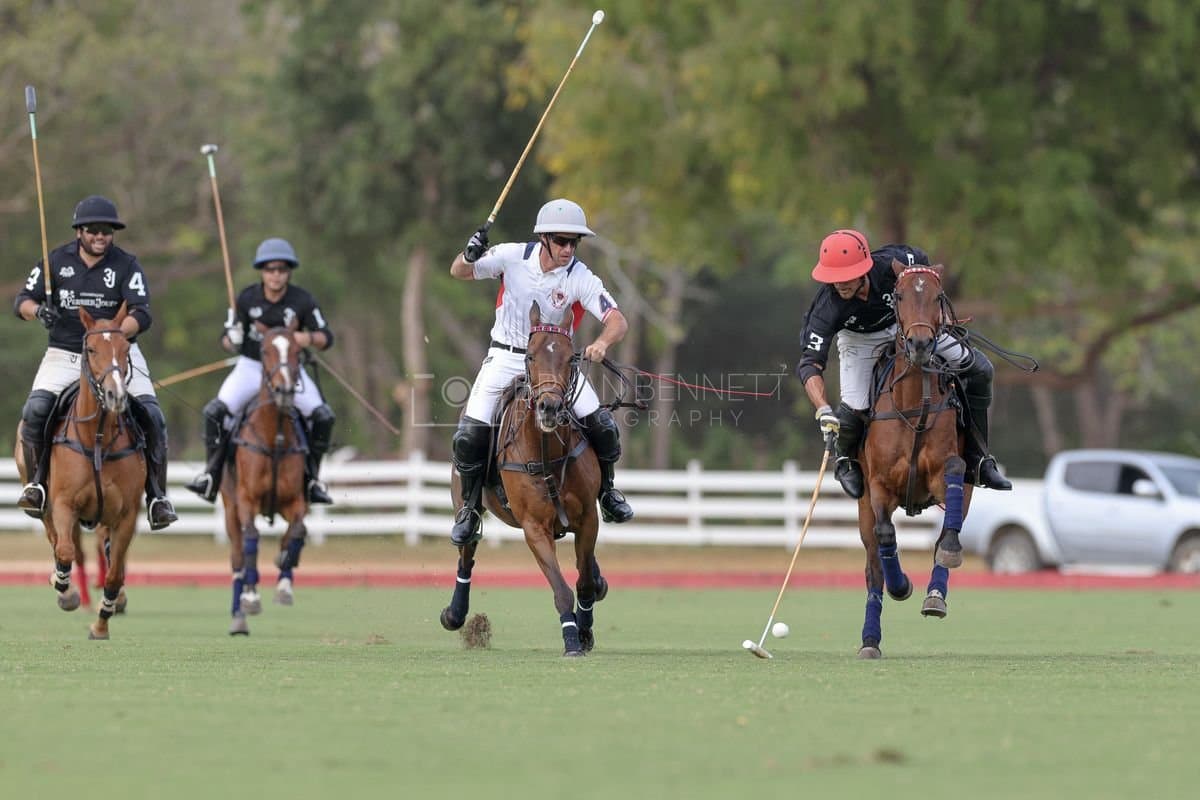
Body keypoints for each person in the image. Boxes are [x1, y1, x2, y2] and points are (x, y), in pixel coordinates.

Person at [447, 198, 633, 546]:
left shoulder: (579, 276)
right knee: (469, 436)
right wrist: (469, 254)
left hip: (556, 366)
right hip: (506, 358)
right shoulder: (511, 256)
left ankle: (607, 492)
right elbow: (459, 271)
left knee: (603, 427)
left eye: (574, 243)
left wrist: (602, 343)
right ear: (544, 238)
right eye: (561, 241)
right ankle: (470, 510)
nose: (568, 249)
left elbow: (617, 321)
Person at [796, 228, 1011, 497]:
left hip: (908, 325)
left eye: (847, 276)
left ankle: (979, 460)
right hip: (859, 342)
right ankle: (845, 461)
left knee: (980, 369)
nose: (841, 284)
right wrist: (822, 408)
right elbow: (810, 364)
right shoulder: (826, 307)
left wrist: (935, 311)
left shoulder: (894, 262)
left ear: (865, 267)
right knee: (853, 407)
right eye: (835, 278)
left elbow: (926, 273)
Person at [14, 195, 179, 530]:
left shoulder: (126, 265)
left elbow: (142, 312)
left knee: (153, 415)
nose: (100, 236)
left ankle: (158, 496)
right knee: (36, 410)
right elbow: (22, 301)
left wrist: (115, 335)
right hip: (66, 352)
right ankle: (37, 485)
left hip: (118, 355)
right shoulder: (56, 261)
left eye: (107, 230)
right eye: (93, 230)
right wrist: (39, 311)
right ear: (80, 232)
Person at [184, 237, 336, 506]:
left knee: (323, 416)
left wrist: (307, 339)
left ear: (289, 271)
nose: (276, 275)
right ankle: (212, 474)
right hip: (251, 368)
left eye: (281, 269)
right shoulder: (246, 298)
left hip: (290, 371)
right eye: (270, 269)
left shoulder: (302, 300)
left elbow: (326, 336)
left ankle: (312, 479)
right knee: (214, 412)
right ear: (262, 272)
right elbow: (226, 341)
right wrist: (232, 338)